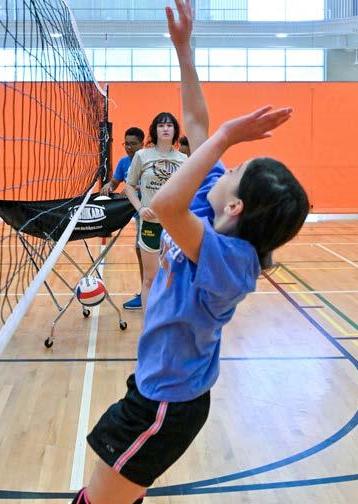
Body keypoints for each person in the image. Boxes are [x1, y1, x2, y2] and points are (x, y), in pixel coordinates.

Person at [71, 2, 309, 503]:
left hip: (166, 406)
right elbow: (198, 127)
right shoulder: (210, 208)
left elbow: (162, 205)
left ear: (236, 205)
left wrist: (224, 138)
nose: (224, 165)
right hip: (156, 389)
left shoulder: (230, 260)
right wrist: (183, 49)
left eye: (234, 169)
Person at [123, 110, 187, 312]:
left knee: (173, 276)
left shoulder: (183, 159)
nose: (165, 128)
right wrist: (140, 208)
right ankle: (148, 323)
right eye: (161, 125)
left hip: (175, 226)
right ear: (155, 130)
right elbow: (129, 186)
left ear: (175, 130)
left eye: (169, 125)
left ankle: (170, 318)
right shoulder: (142, 156)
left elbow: (188, 191)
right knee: (150, 278)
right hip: (150, 224)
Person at [100, 127, 145, 310]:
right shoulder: (124, 162)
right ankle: (148, 292)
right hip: (136, 214)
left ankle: (149, 295)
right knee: (141, 251)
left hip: (151, 212)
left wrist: (133, 189)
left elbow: (156, 185)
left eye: (133, 144)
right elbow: (115, 181)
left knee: (147, 252)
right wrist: (109, 186)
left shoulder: (148, 161)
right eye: (126, 144)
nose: (129, 147)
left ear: (142, 144)